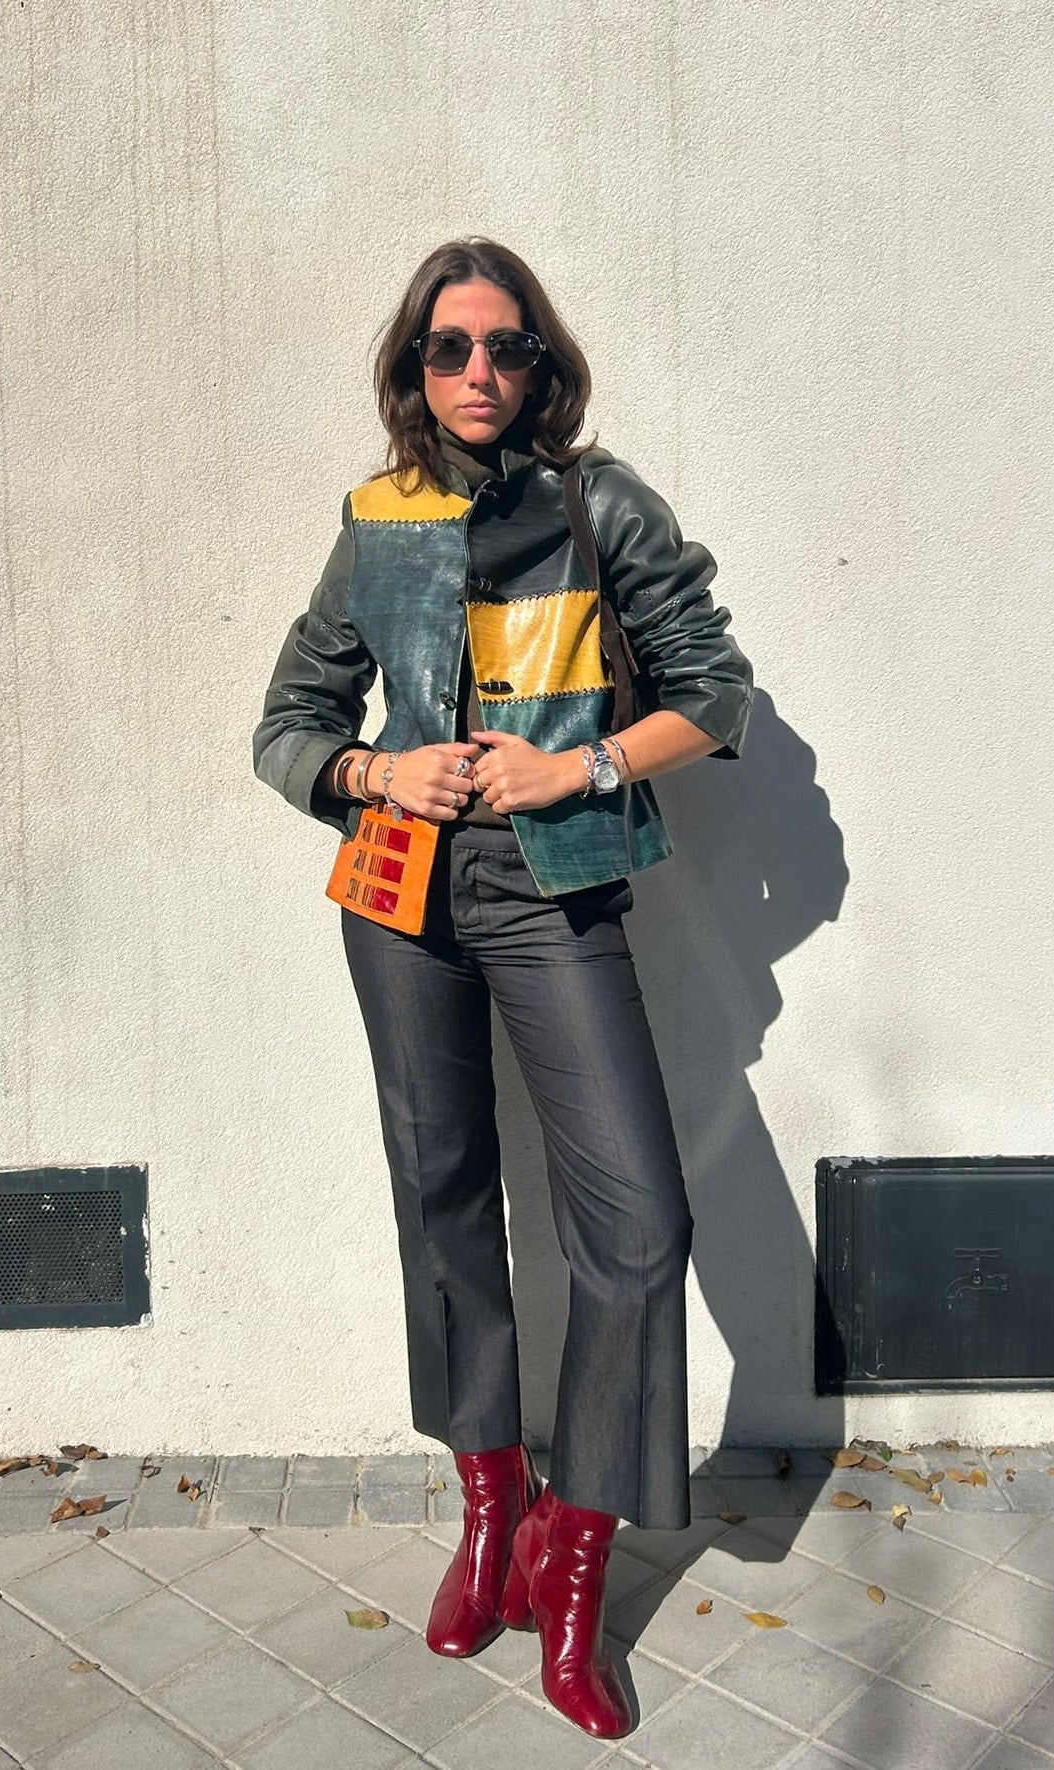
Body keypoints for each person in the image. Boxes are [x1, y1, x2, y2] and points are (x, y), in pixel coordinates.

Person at [253, 238, 752, 1738]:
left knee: (639, 1227)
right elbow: (288, 719)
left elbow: (712, 689)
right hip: (399, 893)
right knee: (443, 1195)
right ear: (414, 368)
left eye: (508, 345)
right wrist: (373, 772)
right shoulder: (375, 520)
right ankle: (489, 1508)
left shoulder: (602, 505)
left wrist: (576, 767)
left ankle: (571, 1557)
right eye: (451, 347)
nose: (481, 371)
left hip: (553, 892)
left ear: (544, 363)